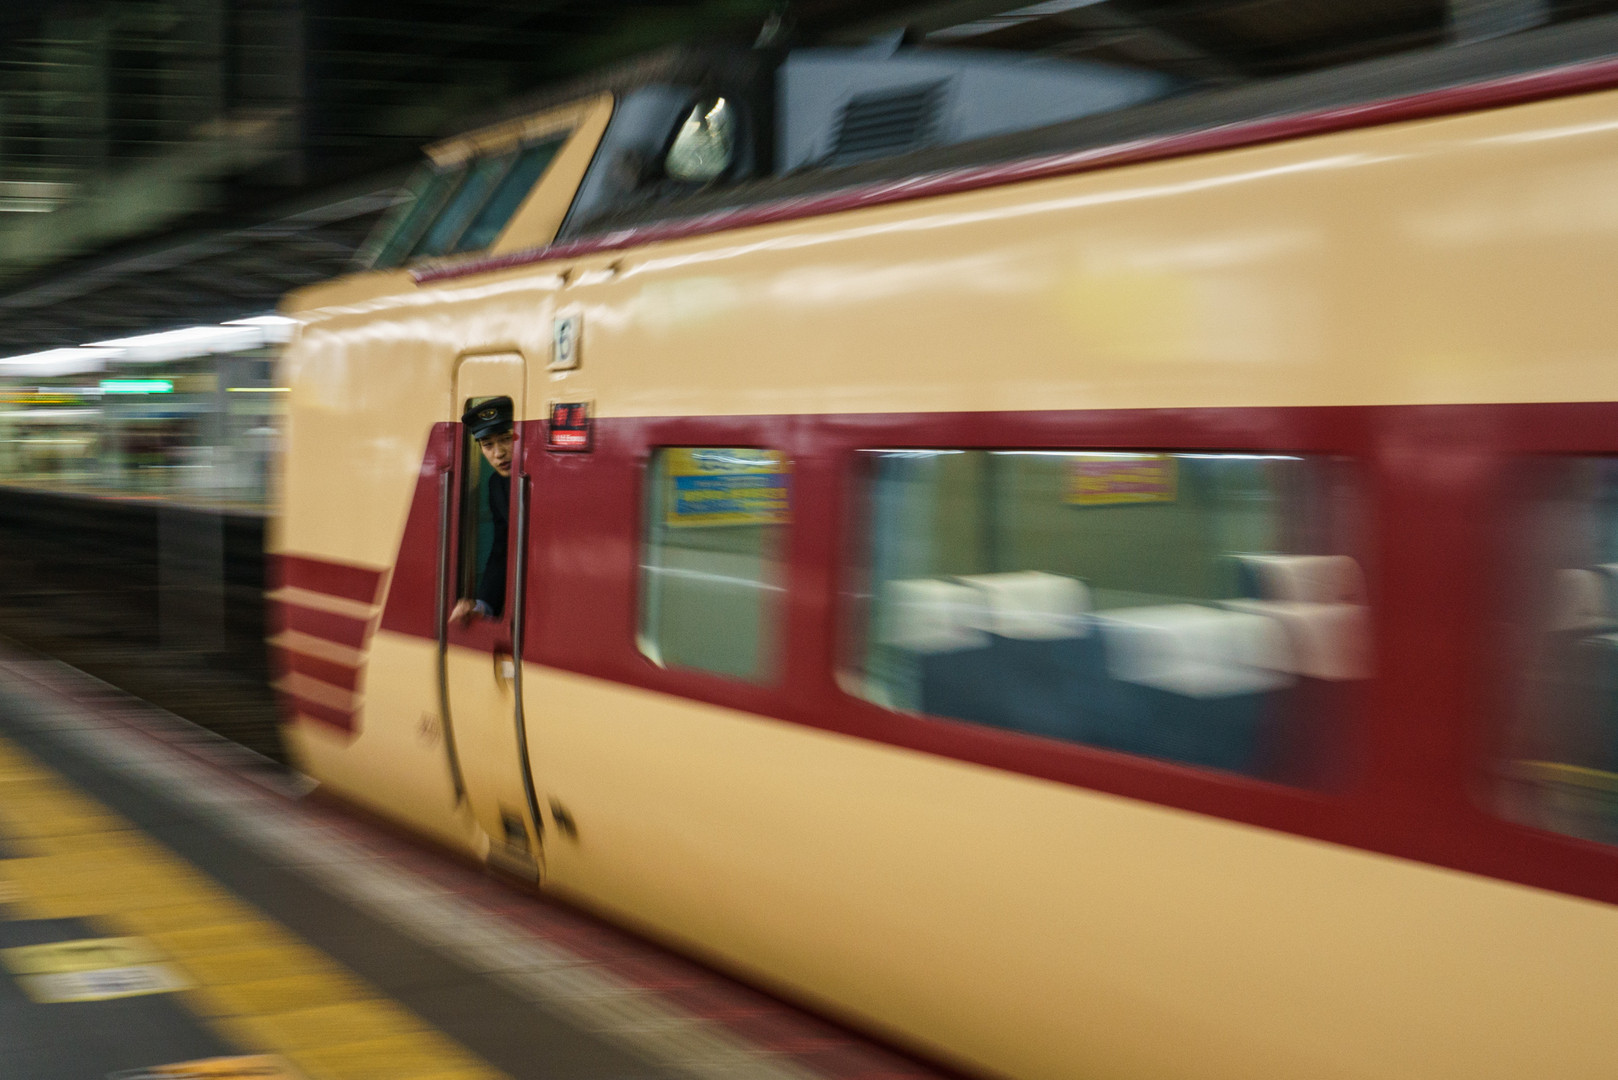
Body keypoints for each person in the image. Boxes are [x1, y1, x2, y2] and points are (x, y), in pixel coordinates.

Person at [450, 396, 514, 625]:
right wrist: (482, 605)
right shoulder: (497, 485)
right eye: (487, 444)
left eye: (506, 439)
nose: (498, 453)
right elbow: (502, 550)